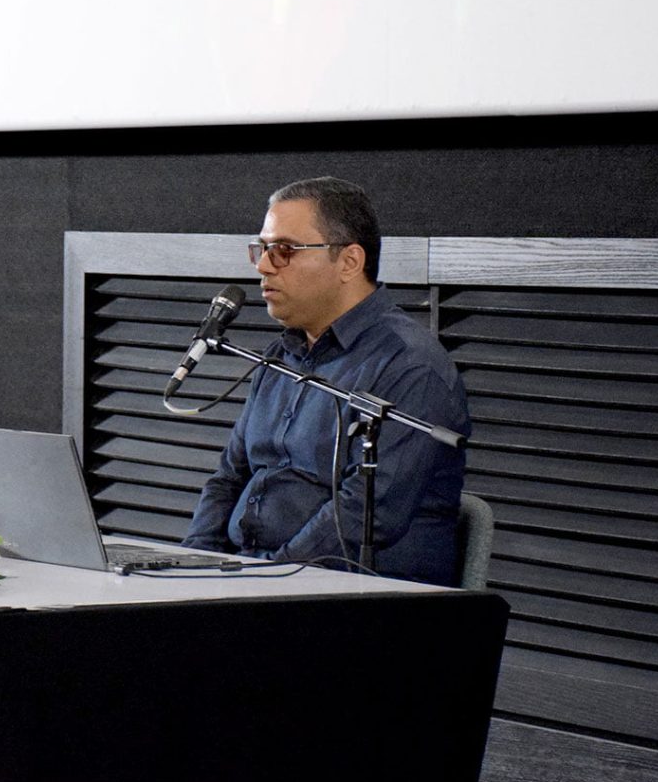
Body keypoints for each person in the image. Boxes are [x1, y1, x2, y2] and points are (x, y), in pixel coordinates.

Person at [180, 177, 471, 586]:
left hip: (351, 596)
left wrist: (263, 580)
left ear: (349, 262)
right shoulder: (281, 355)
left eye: (284, 250)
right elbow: (229, 477)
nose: (263, 266)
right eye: (261, 249)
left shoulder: (410, 366)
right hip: (255, 578)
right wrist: (195, 564)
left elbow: (363, 516)